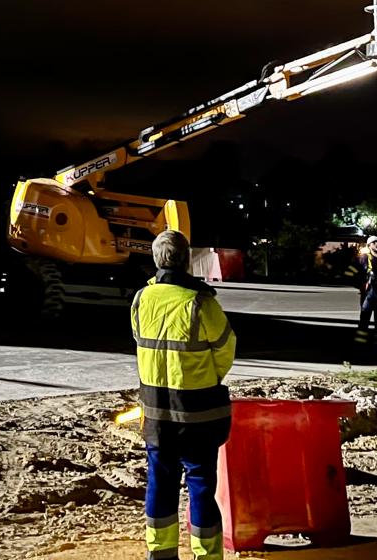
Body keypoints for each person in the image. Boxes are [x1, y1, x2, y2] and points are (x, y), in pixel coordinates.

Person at [133, 229, 236, 560]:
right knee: (202, 486)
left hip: (156, 410)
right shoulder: (201, 303)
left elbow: (139, 339)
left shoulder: (141, 299)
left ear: (155, 259)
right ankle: (205, 555)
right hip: (198, 411)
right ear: (187, 259)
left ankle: (160, 553)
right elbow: (225, 348)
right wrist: (212, 376)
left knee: (159, 483)